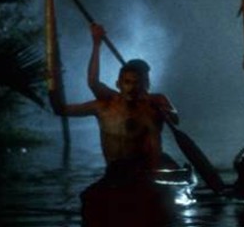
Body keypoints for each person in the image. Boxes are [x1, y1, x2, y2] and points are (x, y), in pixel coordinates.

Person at [50, 23, 173, 179]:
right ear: (118, 84)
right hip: (114, 174)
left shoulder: (155, 103)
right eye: (127, 83)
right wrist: (52, 84)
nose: (131, 88)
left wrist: (167, 111)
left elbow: (174, 119)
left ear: (145, 84)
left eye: (137, 83)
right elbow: (88, 86)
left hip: (146, 173)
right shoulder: (104, 106)